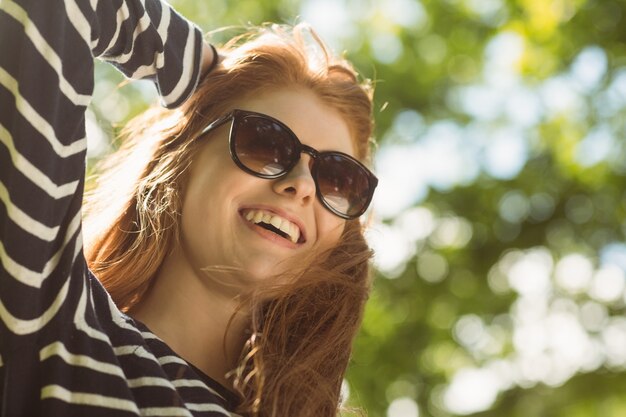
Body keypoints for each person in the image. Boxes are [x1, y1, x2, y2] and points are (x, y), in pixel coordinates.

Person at [0, 0, 378, 416]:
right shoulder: (49, 313)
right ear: (184, 157)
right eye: (265, 143)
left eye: (338, 179)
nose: (303, 185)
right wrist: (205, 69)